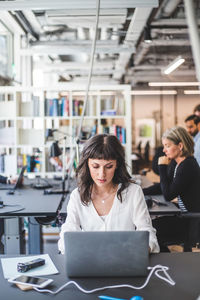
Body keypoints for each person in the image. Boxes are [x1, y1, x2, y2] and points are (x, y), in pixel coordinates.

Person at [58, 134, 159, 254]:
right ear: (87, 165)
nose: (102, 174)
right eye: (95, 166)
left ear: (117, 165)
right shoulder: (77, 195)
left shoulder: (133, 192)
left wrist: (143, 248)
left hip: (126, 262)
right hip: (89, 263)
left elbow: (147, 231)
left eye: (109, 166)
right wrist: (70, 246)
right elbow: (67, 234)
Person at [143, 126, 200, 251]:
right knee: (148, 226)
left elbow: (168, 194)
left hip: (190, 221)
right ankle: (166, 257)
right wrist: (140, 192)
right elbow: (164, 186)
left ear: (180, 146)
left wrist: (162, 167)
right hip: (183, 216)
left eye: (167, 146)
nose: (164, 150)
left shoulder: (188, 166)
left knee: (148, 231)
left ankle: (165, 262)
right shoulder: (178, 163)